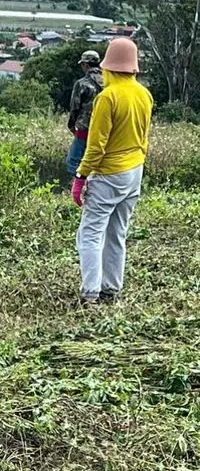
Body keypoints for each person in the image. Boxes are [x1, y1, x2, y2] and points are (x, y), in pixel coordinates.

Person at [72, 38, 153, 307]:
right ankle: (111, 290)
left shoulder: (107, 98)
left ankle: (90, 294)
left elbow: (96, 146)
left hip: (108, 174)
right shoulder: (144, 94)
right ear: (132, 68)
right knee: (117, 233)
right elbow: (143, 137)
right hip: (134, 171)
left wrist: (81, 176)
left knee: (91, 233)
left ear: (109, 67)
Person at [66, 50, 103, 176]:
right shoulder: (109, 83)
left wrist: (71, 125)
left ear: (86, 65)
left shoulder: (82, 84)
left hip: (84, 128)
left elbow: (74, 107)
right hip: (103, 129)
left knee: (73, 161)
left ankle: (76, 187)